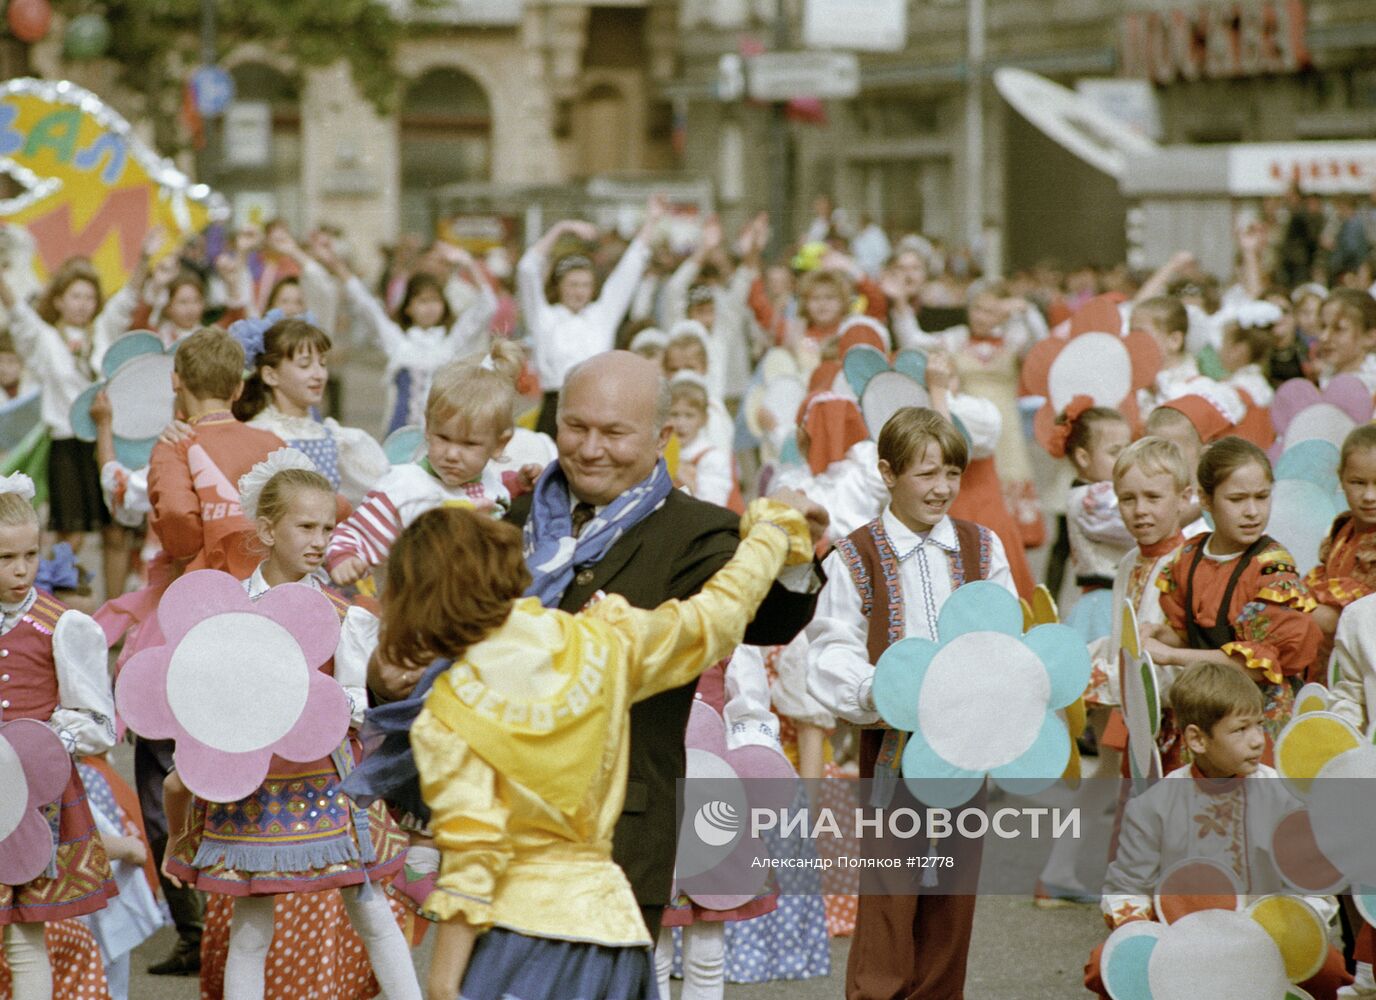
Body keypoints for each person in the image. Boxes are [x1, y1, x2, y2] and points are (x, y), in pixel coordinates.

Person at [367, 350, 824, 946]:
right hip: (499, 831)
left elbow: (769, 617)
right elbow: (442, 641)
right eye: (575, 427)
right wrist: (388, 674)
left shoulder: (698, 530)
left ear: (662, 437)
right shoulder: (515, 515)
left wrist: (795, 550)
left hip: (622, 844)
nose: (589, 448)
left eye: (613, 433)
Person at [404, 486, 815, 1000]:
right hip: (617, 935)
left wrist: (442, 983)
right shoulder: (600, 642)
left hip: (520, 938)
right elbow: (716, 614)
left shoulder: (450, 710)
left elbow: (473, 853)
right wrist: (774, 530)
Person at [162, 455, 417, 1000]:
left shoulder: (344, 614)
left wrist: (310, 702)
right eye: (306, 526)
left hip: (328, 778)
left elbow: (356, 702)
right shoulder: (228, 612)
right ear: (266, 529)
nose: (320, 539)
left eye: (328, 528)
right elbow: (202, 695)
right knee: (250, 927)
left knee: (370, 907)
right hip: (250, 781)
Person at [806, 406, 1015, 999]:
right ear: (887, 473)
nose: (942, 488)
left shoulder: (980, 547)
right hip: (892, 748)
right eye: (925, 474)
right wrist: (883, 690)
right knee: (890, 893)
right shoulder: (855, 555)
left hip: (965, 744)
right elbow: (832, 646)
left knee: (953, 892)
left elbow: (1004, 634)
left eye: (952, 473)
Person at [1084, 660, 1351, 1000]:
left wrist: (1289, 925)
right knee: (1106, 966)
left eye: (1259, 725)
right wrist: (1134, 925)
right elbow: (1127, 883)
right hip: (1180, 937)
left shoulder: (1281, 795)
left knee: (1331, 975)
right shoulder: (1157, 801)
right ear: (1197, 738)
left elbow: (1312, 882)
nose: (1257, 741)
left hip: (1265, 936)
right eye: (1240, 730)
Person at [0, 473, 116, 1000]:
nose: (21, 569)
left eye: (29, 554)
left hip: (33, 802)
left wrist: (53, 739)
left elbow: (98, 722)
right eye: (5, 559)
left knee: (25, 934)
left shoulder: (61, 625)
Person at [0, 237, 154, 599]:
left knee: (116, 531)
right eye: (75, 296)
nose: (83, 305)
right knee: (71, 534)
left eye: (89, 297)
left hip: (106, 442)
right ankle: (57, 611)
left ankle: (114, 613)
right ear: (58, 300)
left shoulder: (102, 332)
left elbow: (127, 300)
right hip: (66, 444)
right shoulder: (45, 340)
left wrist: (145, 257)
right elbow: (19, 314)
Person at [1153, 437, 1322, 742]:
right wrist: (1154, 635)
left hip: (1259, 718)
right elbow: (1189, 635)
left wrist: (1168, 655)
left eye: (1262, 497)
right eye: (1237, 499)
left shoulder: (1272, 569)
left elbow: (1255, 666)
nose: (1252, 511)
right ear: (1205, 500)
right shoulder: (1188, 558)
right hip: (1208, 709)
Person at [327, 343, 521, 588]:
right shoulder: (404, 487)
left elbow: (495, 492)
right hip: (414, 611)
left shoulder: (489, 484)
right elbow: (357, 531)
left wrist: (518, 484)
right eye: (443, 438)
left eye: (469, 444)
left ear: (498, 445)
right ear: (428, 428)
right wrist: (345, 557)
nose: (452, 454)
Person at [519, 199, 663, 436]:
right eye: (573, 284)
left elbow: (630, 268)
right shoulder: (544, 317)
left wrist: (651, 220)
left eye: (585, 285)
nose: (579, 291)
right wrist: (561, 228)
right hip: (555, 408)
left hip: (598, 407)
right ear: (560, 286)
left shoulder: (601, 315)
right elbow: (527, 269)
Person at [337, 242, 497, 435]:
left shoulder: (451, 343)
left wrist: (468, 264)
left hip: (441, 434)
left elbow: (487, 305)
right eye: (422, 301)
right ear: (408, 307)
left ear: (444, 305)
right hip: (400, 434)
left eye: (435, 301)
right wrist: (337, 267)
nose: (430, 307)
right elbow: (366, 305)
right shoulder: (399, 342)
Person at [232, 315, 388, 507]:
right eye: (305, 365)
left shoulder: (336, 439)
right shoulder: (257, 435)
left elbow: (378, 493)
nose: (319, 375)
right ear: (271, 375)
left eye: (322, 364)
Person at [1046, 398, 1133, 642]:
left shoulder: (1111, 492)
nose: (1126, 458)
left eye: (1129, 449)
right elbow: (1129, 526)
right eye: (1115, 452)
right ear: (1083, 458)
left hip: (1122, 596)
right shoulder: (1092, 500)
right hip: (1105, 600)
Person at [667, 374, 735, 509]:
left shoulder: (712, 458)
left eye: (689, 415)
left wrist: (678, 471)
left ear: (703, 419)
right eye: (674, 414)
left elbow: (712, 506)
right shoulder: (661, 450)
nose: (681, 423)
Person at [1313, 287, 1376, 393]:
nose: (1324, 337)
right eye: (1323, 326)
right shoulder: (1323, 376)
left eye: (1338, 329)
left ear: (1370, 337)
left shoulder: (1371, 385)